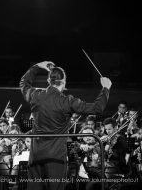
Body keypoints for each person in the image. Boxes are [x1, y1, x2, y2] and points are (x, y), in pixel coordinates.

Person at [19, 61, 112, 190]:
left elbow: (24, 83)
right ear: (64, 81)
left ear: (48, 80)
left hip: (36, 155)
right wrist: (105, 88)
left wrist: (36, 67)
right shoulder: (67, 101)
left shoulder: (36, 95)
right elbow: (97, 108)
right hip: (56, 157)